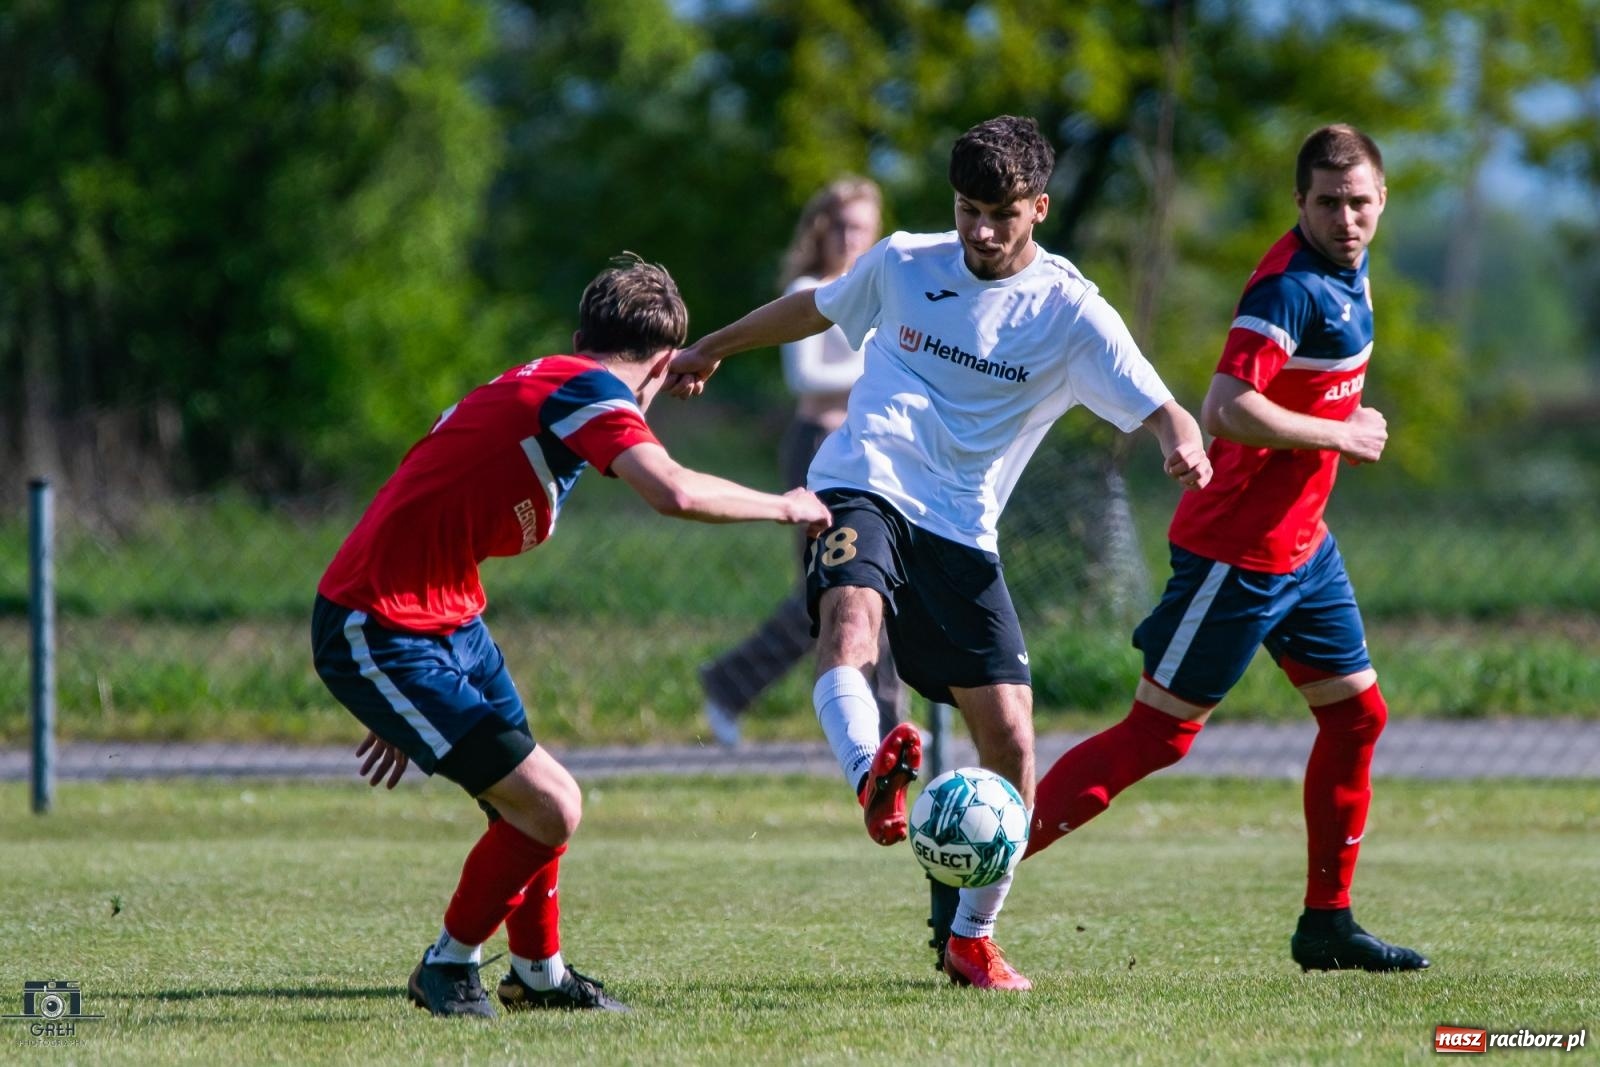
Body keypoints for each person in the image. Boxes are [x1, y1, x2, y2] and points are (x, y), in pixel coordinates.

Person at [669, 116, 1211, 991]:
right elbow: (817, 304)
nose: (981, 232)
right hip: (862, 479)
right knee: (850, 623)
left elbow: (1161, 403)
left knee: (1013, 742)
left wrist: (1178, 439)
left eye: (1001, 214)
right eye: (967, 210)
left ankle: (971, 938)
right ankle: (870, 779)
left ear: (1038, 207)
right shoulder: (905, 262)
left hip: (963, 528)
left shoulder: (1071, 309)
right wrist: (709, 347)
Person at [310, 254, 831, 1018]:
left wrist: (409, 702)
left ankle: (538, 974)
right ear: (657, 362)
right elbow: (675, 490)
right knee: (553, 803)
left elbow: (432, 489)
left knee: (527, 806)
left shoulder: (554, 380)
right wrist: (788, 505)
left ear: (584, 331)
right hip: (382, 622)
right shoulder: (583, 392)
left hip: (445, 618)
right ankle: (448, 965)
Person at [1024, 124, 1430, 973]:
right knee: (1158, 736)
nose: (1346, 218)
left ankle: (1327, 922)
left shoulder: (1350, 278)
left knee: (1358, 715)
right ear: (1301, 203)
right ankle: (976, 870)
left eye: (1359, 202)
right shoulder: (1289, 288)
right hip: (1235, 555)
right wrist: (1341, 435)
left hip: (1302, 551)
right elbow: (1226, 406)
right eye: (1328, 202)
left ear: (1383, 199)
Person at [699, 177, 906, 746]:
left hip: (873, 450)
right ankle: (732, 684)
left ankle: (886, 721)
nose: (849, 237)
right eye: (839, 225)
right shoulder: (809, 290)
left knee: (873, 585)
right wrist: (878, 373)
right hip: (819, 449)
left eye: (860, 226)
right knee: (839, 587)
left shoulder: (881, 291)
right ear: (821, 229)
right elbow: (806, 378)